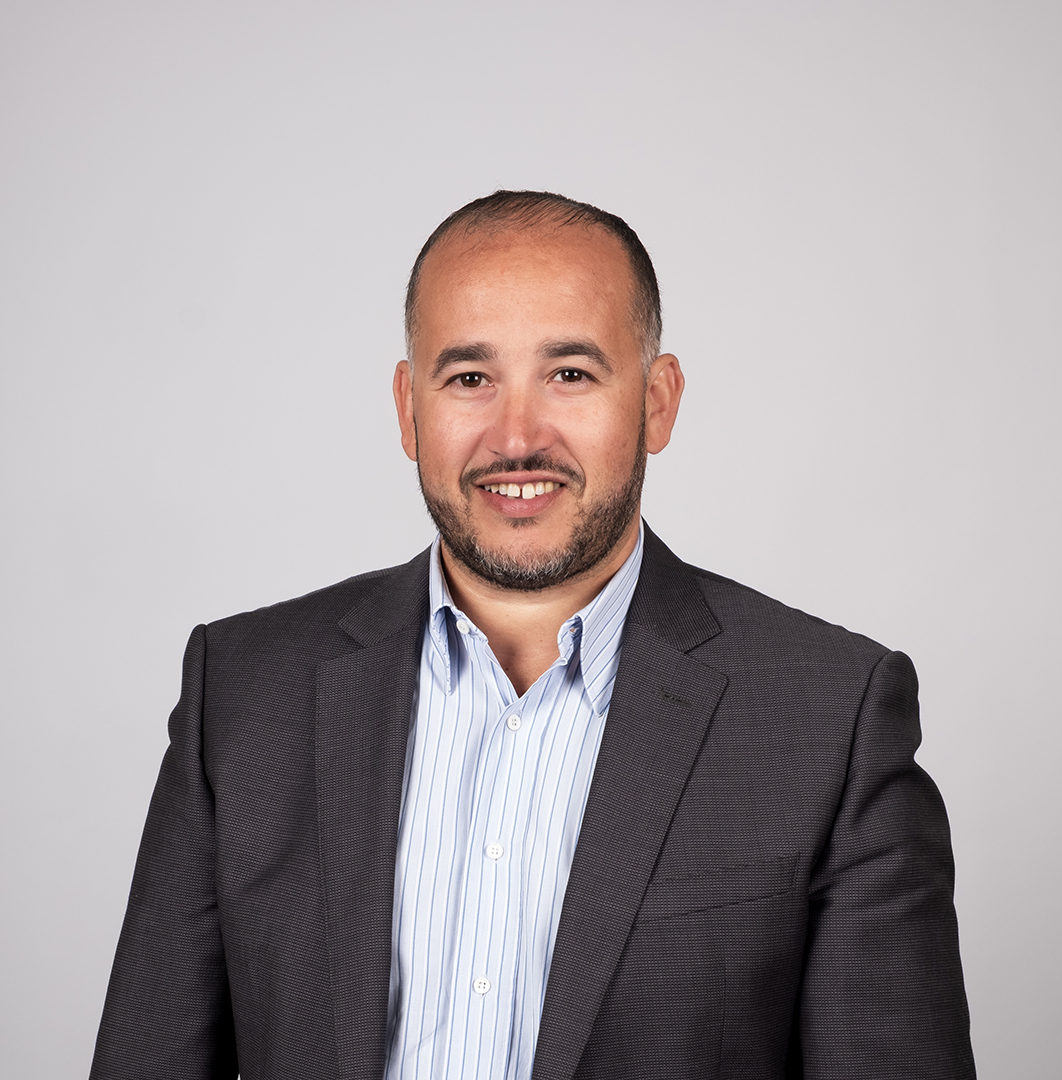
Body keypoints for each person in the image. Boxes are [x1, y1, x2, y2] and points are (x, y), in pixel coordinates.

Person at [90, 190, 976, 1079]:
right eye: (469, 379)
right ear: (407, 408)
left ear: (658, 402)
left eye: (571, 374)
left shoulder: (829, 720)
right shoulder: (243, 696)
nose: (517, 438)